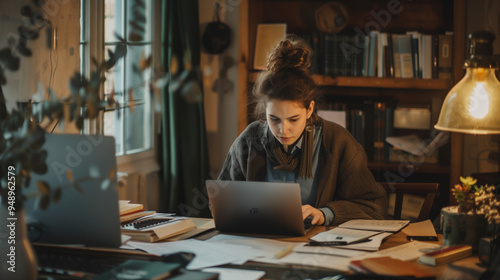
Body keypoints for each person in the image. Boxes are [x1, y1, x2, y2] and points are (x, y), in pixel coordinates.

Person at [218, 36, 386, 226]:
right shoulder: (249, 141)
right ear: (265, 110)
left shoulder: (338, 142)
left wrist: (325, 213)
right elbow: (221, 202)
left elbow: (373, 207)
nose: (283, 129)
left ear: (309, 109)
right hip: (262, 243)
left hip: (319, 248)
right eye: (274, 119)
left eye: (293, 119)